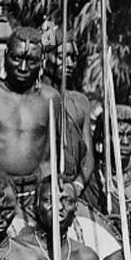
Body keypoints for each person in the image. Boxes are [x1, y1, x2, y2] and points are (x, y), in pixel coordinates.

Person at [0, 26, 56, 220]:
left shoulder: (50, 99)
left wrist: (46, 193)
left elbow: (47, 157)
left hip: (31, 194)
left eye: (31, 61)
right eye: (16, 58)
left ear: (41, 62)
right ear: (5, 55)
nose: (23, 67)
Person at [41, 28, 94, 191]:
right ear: (44, 58)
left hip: (72, 187)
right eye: (61, 57)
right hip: (40, 187)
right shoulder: (33, 97)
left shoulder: (80, 102)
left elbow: (88, 157)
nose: (69, 63)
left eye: (72, 57)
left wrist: (76, 186)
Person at [87, 103, 131, 222]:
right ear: (103, 138)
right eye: (118, 134)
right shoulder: (91, 181)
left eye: (130, 135)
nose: (125, 141)